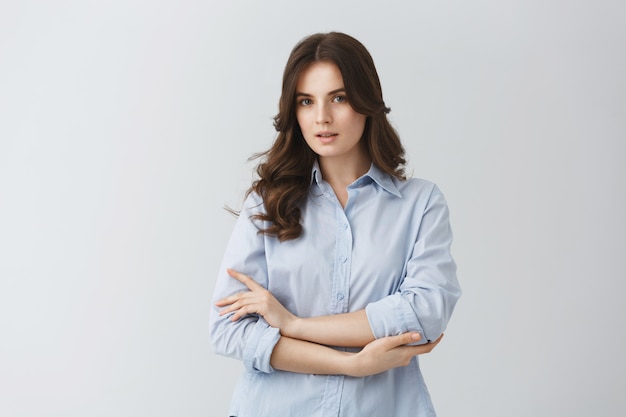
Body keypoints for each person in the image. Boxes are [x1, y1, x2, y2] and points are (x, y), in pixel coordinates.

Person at [209, 31, 461, 417]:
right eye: (306, 101)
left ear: (366, 102)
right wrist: (351, 364)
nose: (322, 117)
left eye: (338, 98)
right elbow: (228, 330)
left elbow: (424, 314)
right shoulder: (266, 203)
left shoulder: (420, 204)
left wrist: (292, 324)